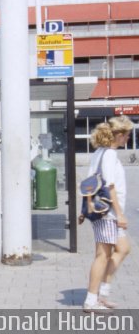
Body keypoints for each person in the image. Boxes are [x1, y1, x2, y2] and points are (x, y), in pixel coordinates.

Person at [82, 115, 133, 313]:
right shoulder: (109, 154)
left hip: (103, 211)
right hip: (108, 213)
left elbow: (89, 183)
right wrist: (119, 214)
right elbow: (110, 186)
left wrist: (84, 209)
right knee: (102, 255)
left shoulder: (100, 152)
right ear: (118, 135)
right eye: (127, 135)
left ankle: (102, 293)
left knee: (124, 248)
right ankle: (91, 300)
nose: (127, 139)